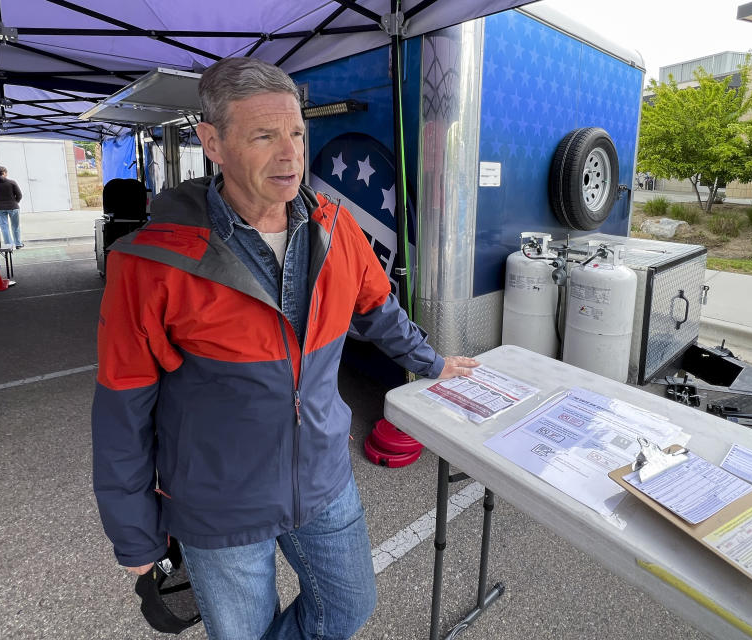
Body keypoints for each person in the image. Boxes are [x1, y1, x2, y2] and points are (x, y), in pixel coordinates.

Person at [92, 56, 478, 640]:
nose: (291, 153)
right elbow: (122, 407)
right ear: (212, 142)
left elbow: (378, 310)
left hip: (322, 479)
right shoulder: (149, 263)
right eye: (265, 135)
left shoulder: (338, 227)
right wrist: (134, 534)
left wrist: (433, 362)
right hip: (219, 503)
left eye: (297, 132)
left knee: (349, 606)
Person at [0, 166, 23, 248]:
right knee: (15, 226)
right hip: (13, 207)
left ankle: (9, 245)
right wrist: (15, 202)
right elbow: (19, 195)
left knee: (4, 227)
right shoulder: (11, 182)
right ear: (3, 173)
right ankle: (18, 244)